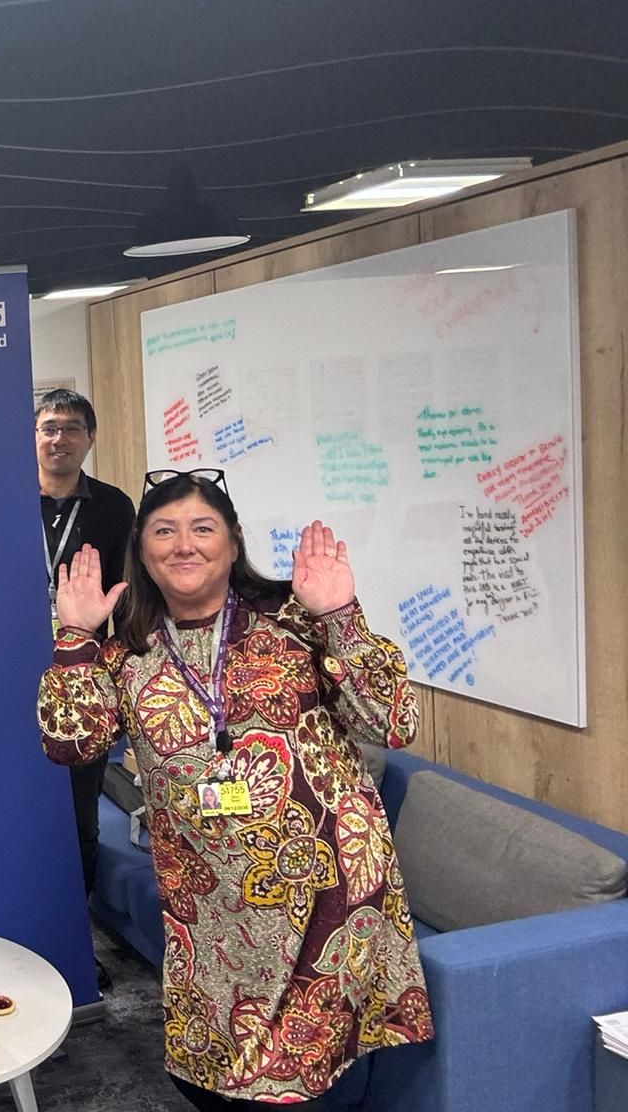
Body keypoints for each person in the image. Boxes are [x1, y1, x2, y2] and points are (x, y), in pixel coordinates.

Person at [38, 470, 433, 1110]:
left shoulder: (296, 622)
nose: (183, 544)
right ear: (141, 550)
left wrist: (341, 617)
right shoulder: (126, 653)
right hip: (211, 908)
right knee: (204, 1076)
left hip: (325, 897)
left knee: (312, 1086)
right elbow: (70, 745)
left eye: (202, 528)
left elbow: (392, 721)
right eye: (164, 531)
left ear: (233, 541)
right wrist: (76, 638)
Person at [34, 388, 135, 983]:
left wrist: (123, 680)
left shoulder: (115, 508)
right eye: (48, 427)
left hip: (86, 687)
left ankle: (76, 941)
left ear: (89, 439)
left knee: (79, 822)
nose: (58, 438)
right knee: (18, 815)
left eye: (71, 428)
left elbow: (127, 601)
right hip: (13, 682)